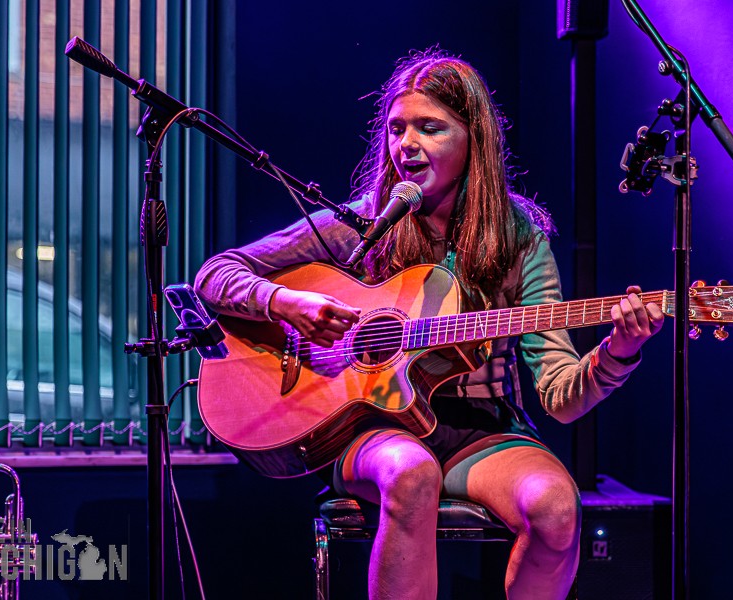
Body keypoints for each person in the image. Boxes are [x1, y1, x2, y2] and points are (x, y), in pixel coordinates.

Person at [194, 48, 664, 600]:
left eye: (430, 128)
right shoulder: (361, 222)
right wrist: (285, 303)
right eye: (397, 128)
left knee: (557, 509)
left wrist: (619, 351)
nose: (407, 144)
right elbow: (215, 274)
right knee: (411, 474)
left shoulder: (518, 238)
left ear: (473, 139)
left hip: (479, 431)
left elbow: (560, 397)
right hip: (367, 427)